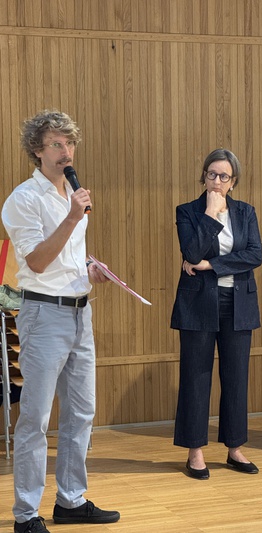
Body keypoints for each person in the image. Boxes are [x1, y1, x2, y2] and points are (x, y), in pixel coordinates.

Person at [1, 110, 120, 533]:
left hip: (79, 312)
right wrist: (73, 216)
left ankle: (70, 500)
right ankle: (26, 515)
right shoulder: (23, 200)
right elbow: (35, 261)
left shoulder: (72, 191)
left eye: (69, 143)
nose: (66, 151)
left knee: (81, 413)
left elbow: (64, 256)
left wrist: (88, 269)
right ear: (37, 150)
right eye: (56, 144)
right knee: (36, 419)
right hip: (43, 316)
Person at [171, 149, 262, 479]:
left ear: (233, 181)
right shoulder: (188, 211)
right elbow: (191, 251)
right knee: (196, 377)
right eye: (212, 174)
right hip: (198, 303)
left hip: (238, 303)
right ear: (204, 176)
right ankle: (195, 451)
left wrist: (210, 264)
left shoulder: (246, 212)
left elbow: (255, 255)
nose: (217, 181)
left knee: (236, 377)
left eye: (224, 176)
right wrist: (210, 215)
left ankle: (235, 448)